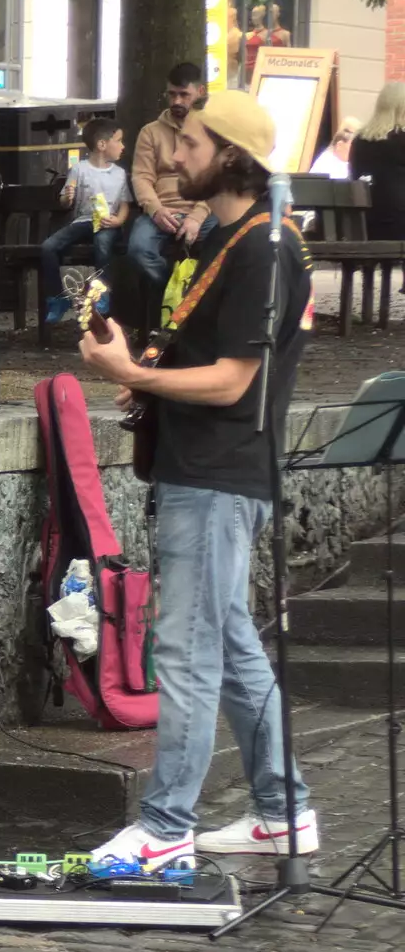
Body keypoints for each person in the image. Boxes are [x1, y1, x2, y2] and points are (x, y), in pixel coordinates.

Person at [79, 91, 318, 870]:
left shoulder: (264, 248)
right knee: (231, 641)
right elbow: (202, 359)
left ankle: (165, 825)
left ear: (232, 156)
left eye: (188, 143)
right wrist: (143, 372)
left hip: (218, 476)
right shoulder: (227, 234)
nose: (174, 156)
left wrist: (129, 372)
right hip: (199, 469)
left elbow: (234, 384)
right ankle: (284, 812)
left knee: (182, 648)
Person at [128, 62, 214, 287]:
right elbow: (141, 177)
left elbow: (216, 179)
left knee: (224, 246)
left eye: (184, 95)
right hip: (160, 212)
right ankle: (172, 291)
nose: (177, 101)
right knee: (138, 250)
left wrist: (197, 217)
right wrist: (156, 210)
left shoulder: (210, 130)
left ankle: (194, 299)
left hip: (202, 211)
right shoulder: (150, 132)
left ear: (200, 92)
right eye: (172, 94)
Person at [41, 119, 132, 325]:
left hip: (108, 224)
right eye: (118, 141)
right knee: (48, 247)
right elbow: (65, 202)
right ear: (102, 145)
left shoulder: (118, 174)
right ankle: (57, 299)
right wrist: (68, 197)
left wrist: (118, 221)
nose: (122, 146)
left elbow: (125, 204)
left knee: (103, 243)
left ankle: (102, 295)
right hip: (83, 221)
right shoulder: (79, 169)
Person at [349, 83, 405, 241]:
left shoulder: (360, 140)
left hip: (366, 225)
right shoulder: (402, 139)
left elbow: (354, 175)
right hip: (399, 225)